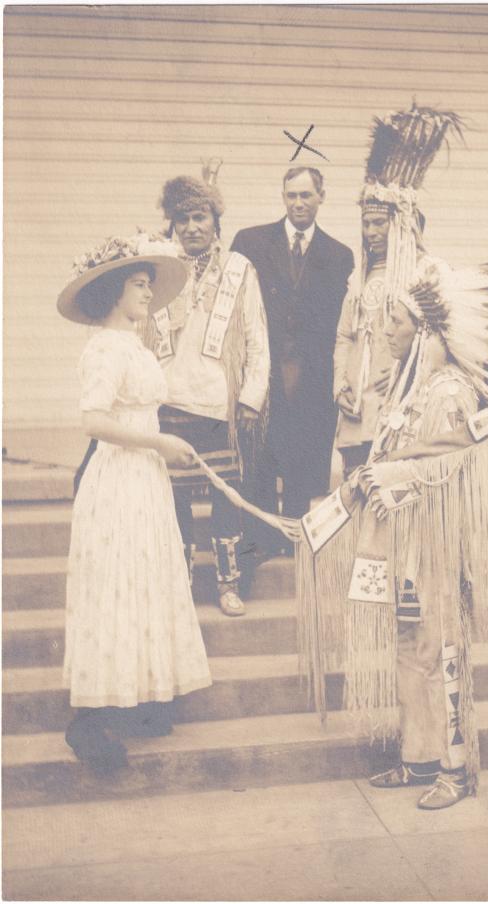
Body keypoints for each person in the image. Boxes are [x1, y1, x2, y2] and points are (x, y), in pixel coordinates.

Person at [296, 105, 488, 810]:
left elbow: (455, 461)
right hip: (402, 540)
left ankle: (456, 769)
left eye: (401, 319)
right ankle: (417, 755)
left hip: (438, 543)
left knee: (441, 644)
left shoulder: (448, 391)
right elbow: (398, 454)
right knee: (409, 644)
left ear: (429, 327)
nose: (388, 324)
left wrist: (391, 471)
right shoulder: (406, 392)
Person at [57, 235, 212, 773]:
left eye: (149, 285)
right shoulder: (103, 348)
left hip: (145, 478)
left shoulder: (137, 346)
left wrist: (164, 447)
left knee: (146, 579)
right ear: (112, 291)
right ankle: (94, 715)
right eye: (138, 285)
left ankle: (143, 697)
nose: (147, 294)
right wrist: (158, 444)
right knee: (116, 582)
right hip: (119, 476)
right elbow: (94, 422)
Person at [141, 165, 270, 617]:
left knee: (226, 498)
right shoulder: (157, 270)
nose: (193, 227)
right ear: (172, 225)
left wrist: (251, 398)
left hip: (219, 406)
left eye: (201, 217)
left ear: (216, 222)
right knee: (172, 499)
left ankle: (228, 584)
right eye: (184, 219)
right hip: (168, 400)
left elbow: (257, 339)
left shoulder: (239, 270)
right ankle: (178, 584)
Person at [231, 167, 354, 556]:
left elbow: (342, 325)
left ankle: (297, 543)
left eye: (306, 195)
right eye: (291, 196)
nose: (298, 203)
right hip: (265, 371)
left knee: (305, 459)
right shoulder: (251, 243)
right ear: (283, 197)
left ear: (321, 197)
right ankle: (264, 542)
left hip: (312, 379)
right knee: (262, 461)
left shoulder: (339, 255)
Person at [334, 200, 429, 478]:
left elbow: (436, 338)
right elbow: (344, 335)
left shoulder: (422, 273)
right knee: (355, 488)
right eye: (366, 223)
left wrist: (409, 368)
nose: (370, 231)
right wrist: (340, 385)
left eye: (379, 223)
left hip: (398, 398)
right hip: (357, 404)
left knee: (391, 489)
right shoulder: (359, 277)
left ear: (399, 224)